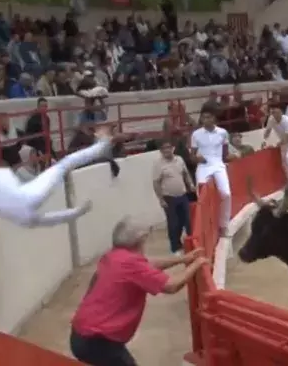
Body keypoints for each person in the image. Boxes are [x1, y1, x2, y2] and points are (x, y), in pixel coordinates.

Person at [69, 218, 207, 366]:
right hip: (98, 340)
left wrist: (183, 260)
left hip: (80, 334)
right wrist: (197, 264)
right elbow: (171, 286)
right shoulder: (132, 264)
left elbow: (147, 264)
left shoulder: (112, 256)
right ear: (141, 240)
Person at [0, 126, 117, 227]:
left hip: (21, 202)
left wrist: (78, 212)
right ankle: (102, 144)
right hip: (26, 194)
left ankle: (102, 144)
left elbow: (49, 219)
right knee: (64, 164)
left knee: (63, 166)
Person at [190, 108, 232, 236]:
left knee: (226, 193)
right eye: (204, 117)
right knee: (201, 194)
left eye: (209, 117)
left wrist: (226, 161)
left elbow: (225, 152)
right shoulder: (196, 134)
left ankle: (223, 225)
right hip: (203, 166)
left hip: (218, 164)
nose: (206, 120)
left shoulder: (223, 132)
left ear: (214, 118)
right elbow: (192, 156)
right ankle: (206, 226)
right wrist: (197, 158)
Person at [152, 139, 195, 255]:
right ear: (161, 151)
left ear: (173, 148)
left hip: (182, 195)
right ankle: (175, 247)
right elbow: (156, 183)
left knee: (187, 221)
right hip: (169, 198)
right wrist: (160, 199)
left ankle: (191, 244)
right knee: (173, 223)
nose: (167, 150)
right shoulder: (158, 165)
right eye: (164, 148)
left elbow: (185, 173)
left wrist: (190, 184)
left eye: (168, 147)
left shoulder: (179, 160)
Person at [262, 106, 288, 183]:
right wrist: (264, 140)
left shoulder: (287, 120)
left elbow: (287, 137)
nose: (275, 115)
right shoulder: (271, 119)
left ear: (281, 113)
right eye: (273, 113)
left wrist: (276, 145)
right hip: (285, 140)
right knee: (284, 161)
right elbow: (268, 131)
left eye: (277, 113)